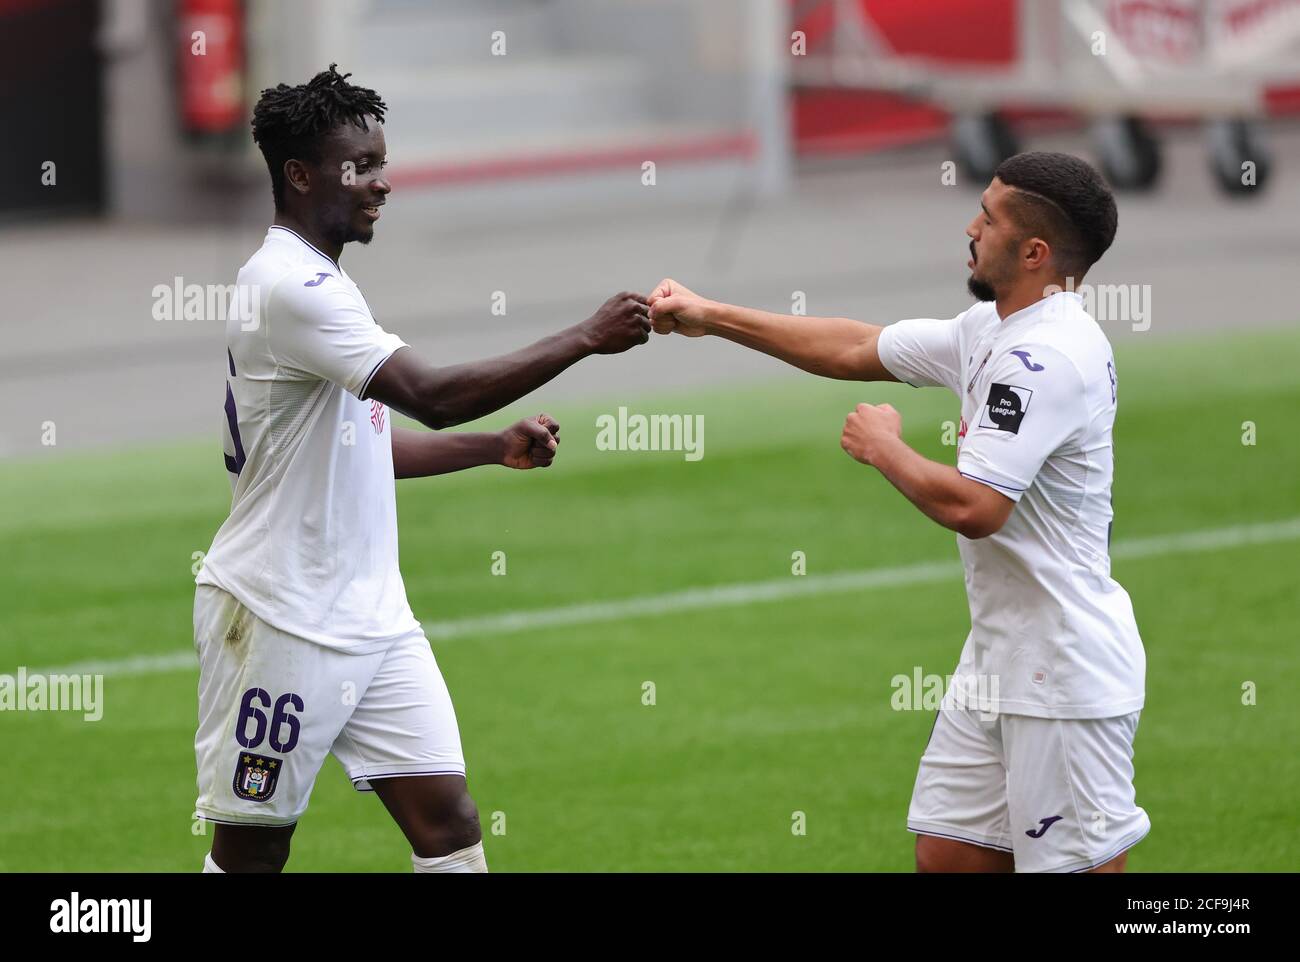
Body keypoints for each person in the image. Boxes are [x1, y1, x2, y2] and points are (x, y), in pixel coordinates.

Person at [193, 65, 651, 873]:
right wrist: (585, 337)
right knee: (254, 851)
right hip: (281, 617)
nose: (382, 183)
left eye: (381, 162)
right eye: (359, 167)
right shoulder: (294, 289)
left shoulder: (323, 283)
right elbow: (433, 397)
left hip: (374, 618)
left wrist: (491, 446)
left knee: (449, 822)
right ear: (300, 175)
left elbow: (358, 446)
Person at [647, 151, 1147, 873]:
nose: (970, 226)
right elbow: (855, 346)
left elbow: (978, 507)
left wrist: (885, 447)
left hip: (1061, 672)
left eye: (989, 217)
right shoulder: (994, 328)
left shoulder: (1045, 360)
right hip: (1000, 656)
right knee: (950, 858)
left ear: (1035, 252)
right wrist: (712, 315)